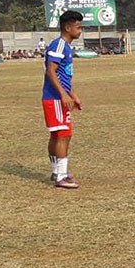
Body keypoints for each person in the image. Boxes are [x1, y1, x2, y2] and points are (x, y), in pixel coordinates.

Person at [43, 10, 84, 189]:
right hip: (54, 98)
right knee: (64, 135)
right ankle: (61, 176)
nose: (80, 30)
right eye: (78, 27)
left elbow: (63, 75)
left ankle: (56, 171)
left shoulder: (65, 46)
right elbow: (50, 71)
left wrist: (72, 95)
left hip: (57, 97)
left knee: (57, 134)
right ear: (68, 28)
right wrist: (63, 95)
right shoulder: (59, 45)